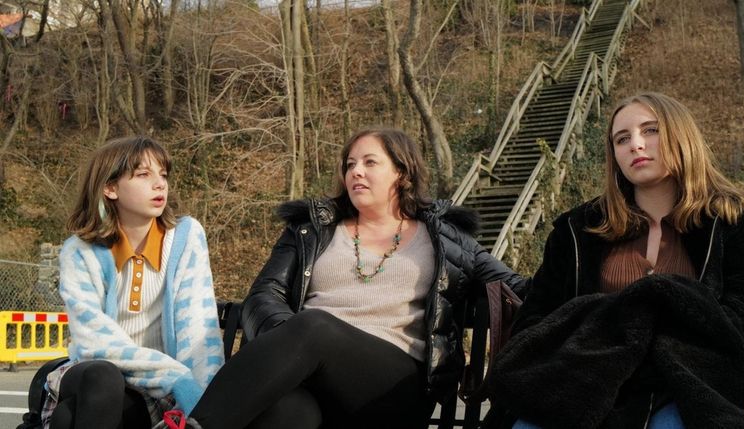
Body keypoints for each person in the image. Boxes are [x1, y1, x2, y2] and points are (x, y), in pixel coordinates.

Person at [189, 127, 526, 429]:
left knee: (315, 326)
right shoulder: (312, 230)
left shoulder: (446, 239)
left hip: (395, 388)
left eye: (369, 162)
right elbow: (265, 294)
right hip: (315, 373)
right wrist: (291, 345)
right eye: (350, 164)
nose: (356, 172)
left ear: (402, 174)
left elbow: (520, 287)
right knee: (290, 412)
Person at [485, 92, 744, 429]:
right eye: (622, 138)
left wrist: (657, 337)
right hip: (589, 383)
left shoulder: (731, 221)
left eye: (650, 130)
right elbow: (537, 318)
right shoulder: (577, 229)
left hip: (699, 381)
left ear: (681, 135)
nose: (635, 144)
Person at [46, 137, 224, 429]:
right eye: (143, 175)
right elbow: (94, 342)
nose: (159, 184)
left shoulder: (185, 237)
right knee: (103, 378)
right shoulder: (80, 251)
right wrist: (174, 376)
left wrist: (199, 401)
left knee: (69, 418)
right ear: (110, 188)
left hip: (156, 391)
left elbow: (199, 331)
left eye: (163, 175)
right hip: (96, 372)